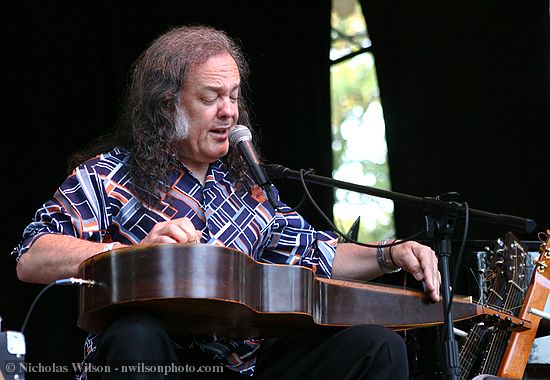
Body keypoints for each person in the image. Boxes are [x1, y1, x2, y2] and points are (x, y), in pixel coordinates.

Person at [13, 25, 441, 379]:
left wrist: (389, 254)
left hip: (242, 367)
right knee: (136, 333)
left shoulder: (248, 190)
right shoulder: (105, 176)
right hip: (150, 359)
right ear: (167, 104)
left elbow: (321, 255)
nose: (229, 111)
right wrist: (130, 255)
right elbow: (31, 255)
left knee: (376, 345)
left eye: (234, 96)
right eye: (211, 97)